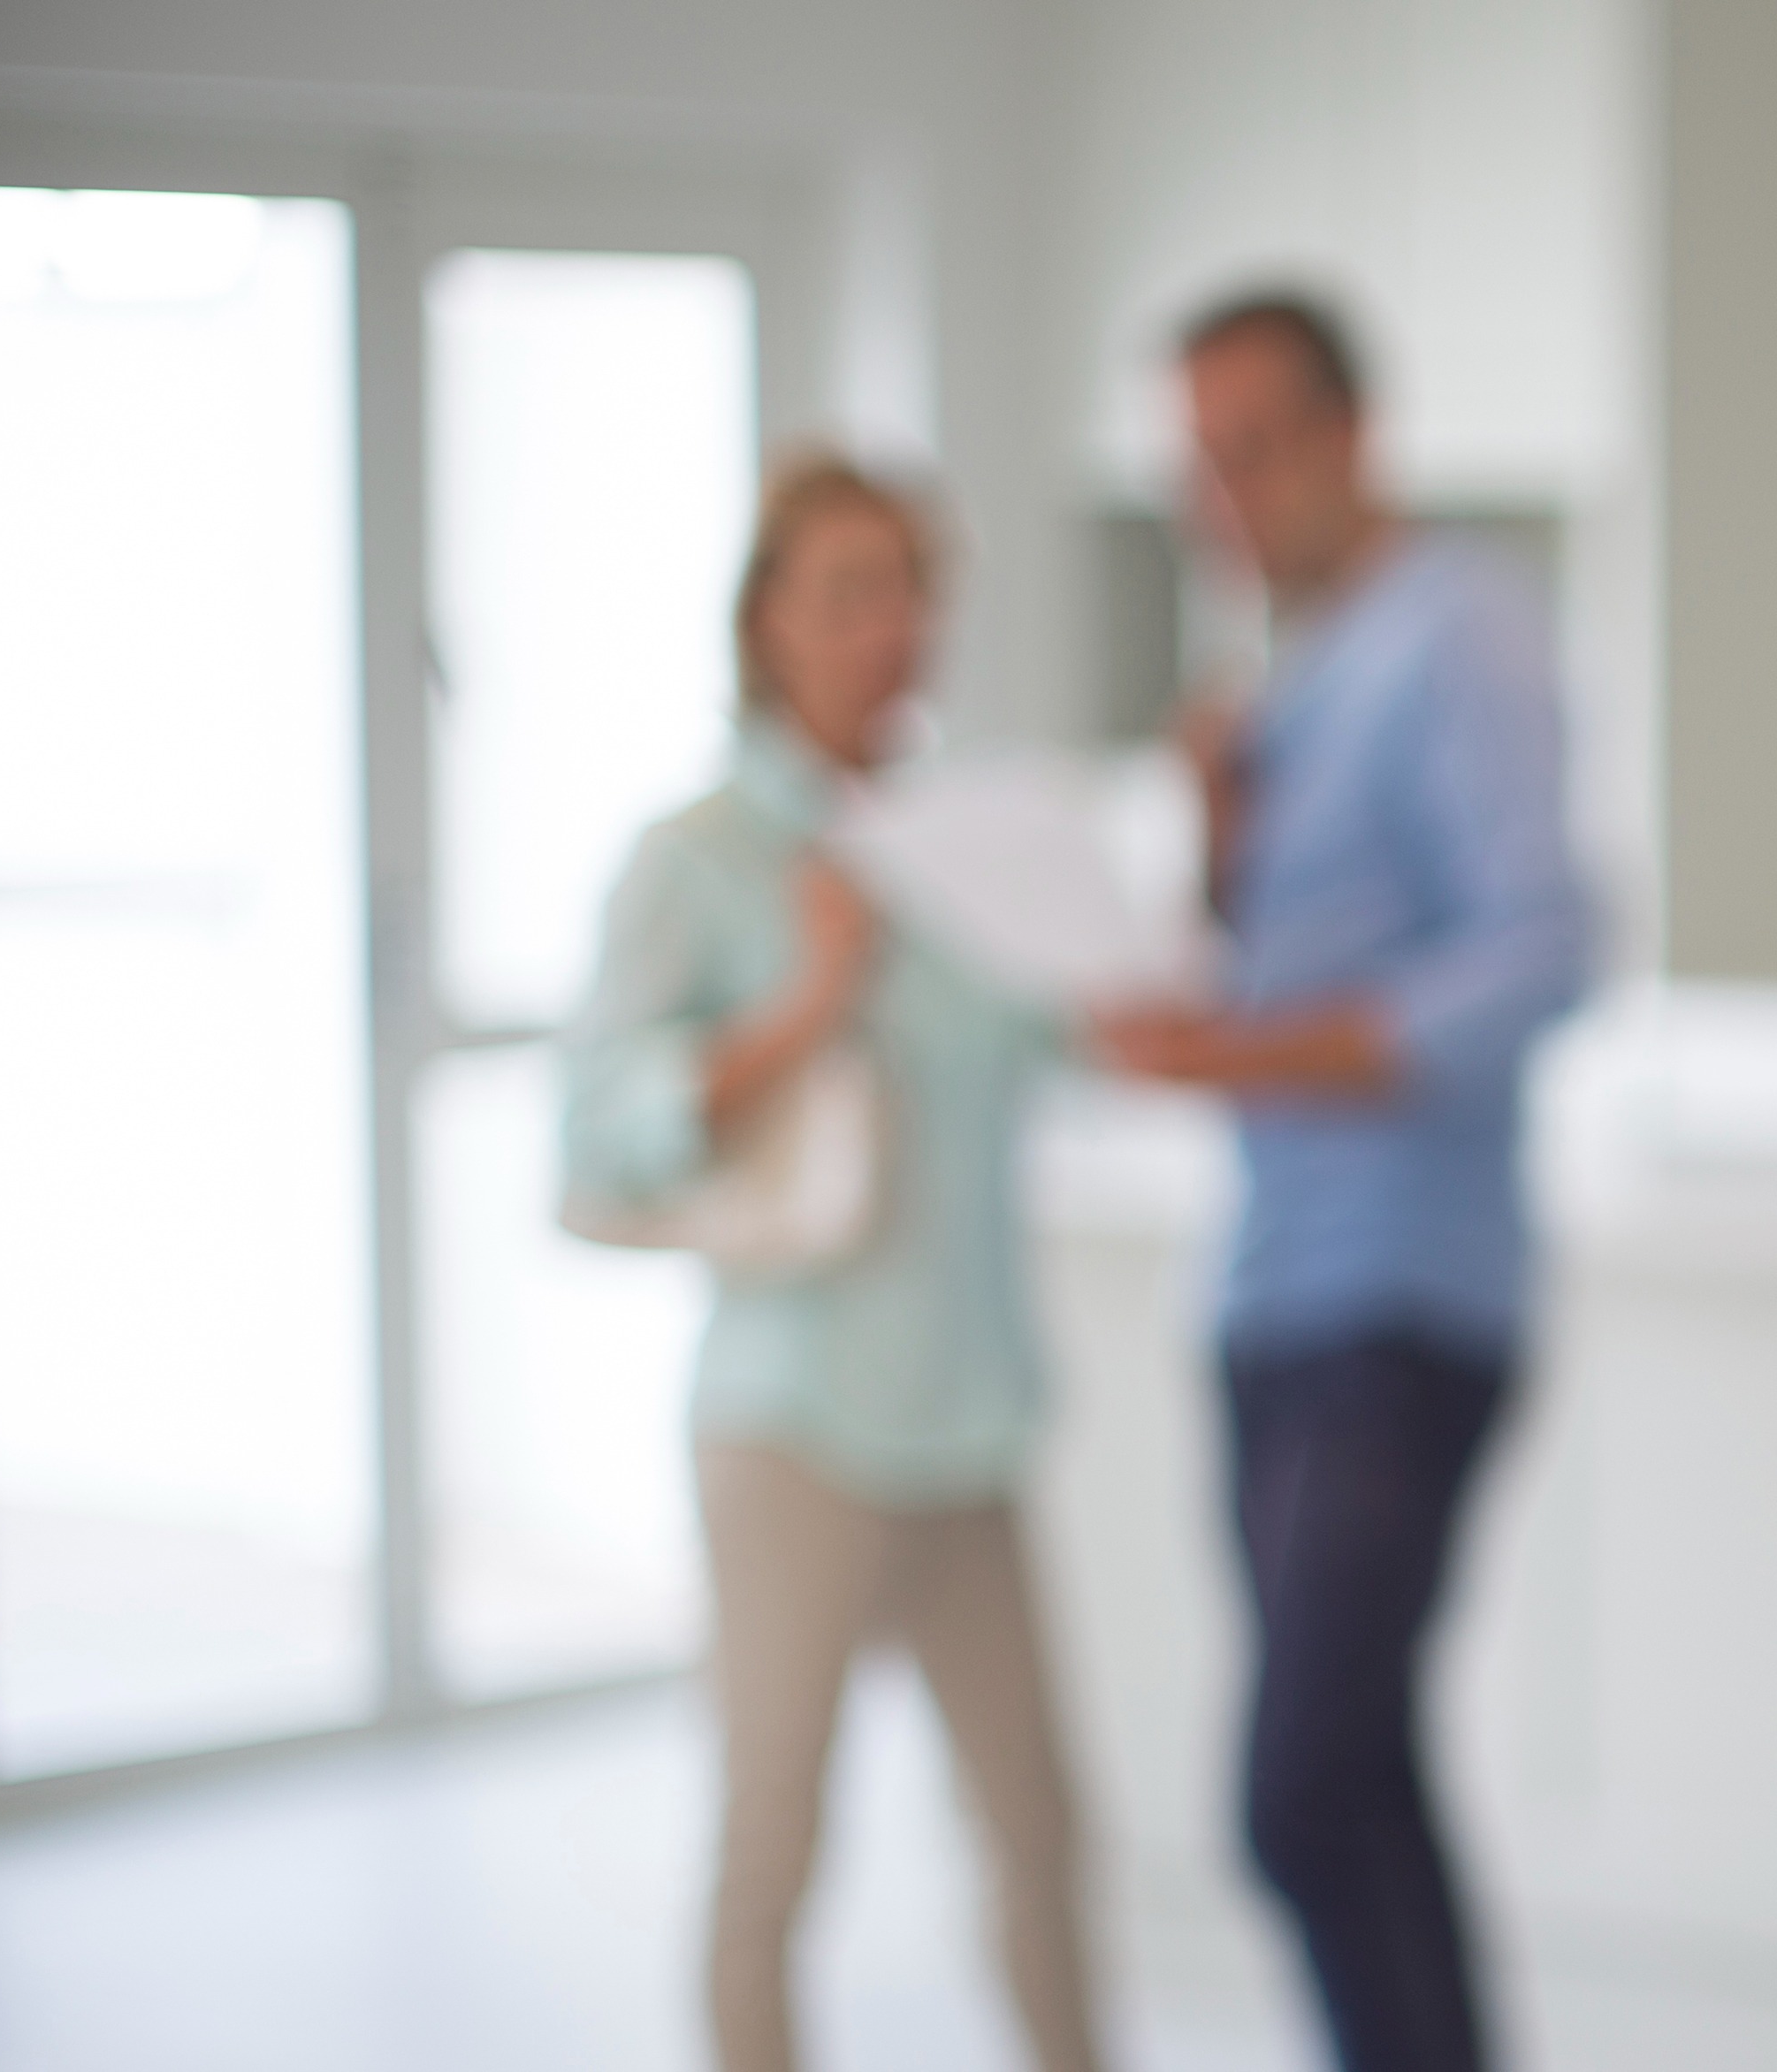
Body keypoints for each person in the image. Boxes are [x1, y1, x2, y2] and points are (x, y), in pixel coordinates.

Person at [1090, 293, 1592, 2072]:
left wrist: (1235, 1056)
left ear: (1350, 436)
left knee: (1297, 1787)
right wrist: (1218, 846)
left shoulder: (1460, 631)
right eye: (1197, 467)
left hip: (1407, 1294)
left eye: (1252, 452)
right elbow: (1272, 958)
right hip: (1269, 1292)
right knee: (1359, 1781)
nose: (1221, 501)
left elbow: (1539, 953)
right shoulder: (1292, 673)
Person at [561, 454, 1105, 2072]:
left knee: (1042, 1839)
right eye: (849, 592)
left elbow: (1076, 1033)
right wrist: (805, 1002)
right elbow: (601, 1131)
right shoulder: (699, 856)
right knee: (775, 1849)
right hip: (795, 1418)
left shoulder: (970, 843)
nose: (891, 628)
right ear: (768, 623)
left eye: (912, 589)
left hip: (970, 1414)